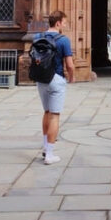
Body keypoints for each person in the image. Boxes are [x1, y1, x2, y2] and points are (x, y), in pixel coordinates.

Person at [35, 10, 74, 165]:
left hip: (41, 79)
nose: (65, 25)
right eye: (64, 22)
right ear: (58, 23)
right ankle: (50, 154)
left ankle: (45, 147)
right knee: (55, 115)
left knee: (46, 112)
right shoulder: (63, 40)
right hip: (56, 78)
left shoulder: (38, 36)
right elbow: (69, 64)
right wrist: (72, 76)